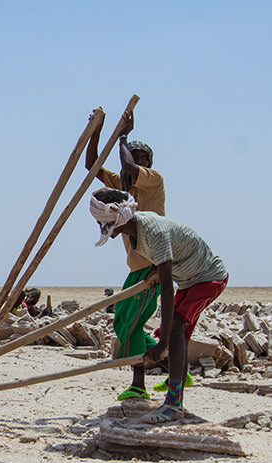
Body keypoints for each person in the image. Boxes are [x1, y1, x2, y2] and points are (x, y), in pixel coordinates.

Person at [90, 188, 228, 423]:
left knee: (174, 329)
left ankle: (174, 404)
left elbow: (166, 287)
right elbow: (166, 262)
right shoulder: (136, 233)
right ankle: (177, 395)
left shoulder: (152, 233)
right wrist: (153, 271)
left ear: (116, 220)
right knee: (177, 332)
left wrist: (162, 344)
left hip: (207, 278)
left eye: (101, 222)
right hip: (189, 280)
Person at [85, 108, 190, 401]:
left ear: (148, 163)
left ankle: (139, 384)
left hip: (153, 263)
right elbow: (91, 165)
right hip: (136, 265)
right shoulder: (121, 186)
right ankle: (175, 364)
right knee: (123, 321)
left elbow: (129, 168)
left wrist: (123, 136)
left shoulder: (153, 179)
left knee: (130, 323)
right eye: (134, 155)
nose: (136, 160)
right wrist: (97, 131)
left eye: (141, 157)